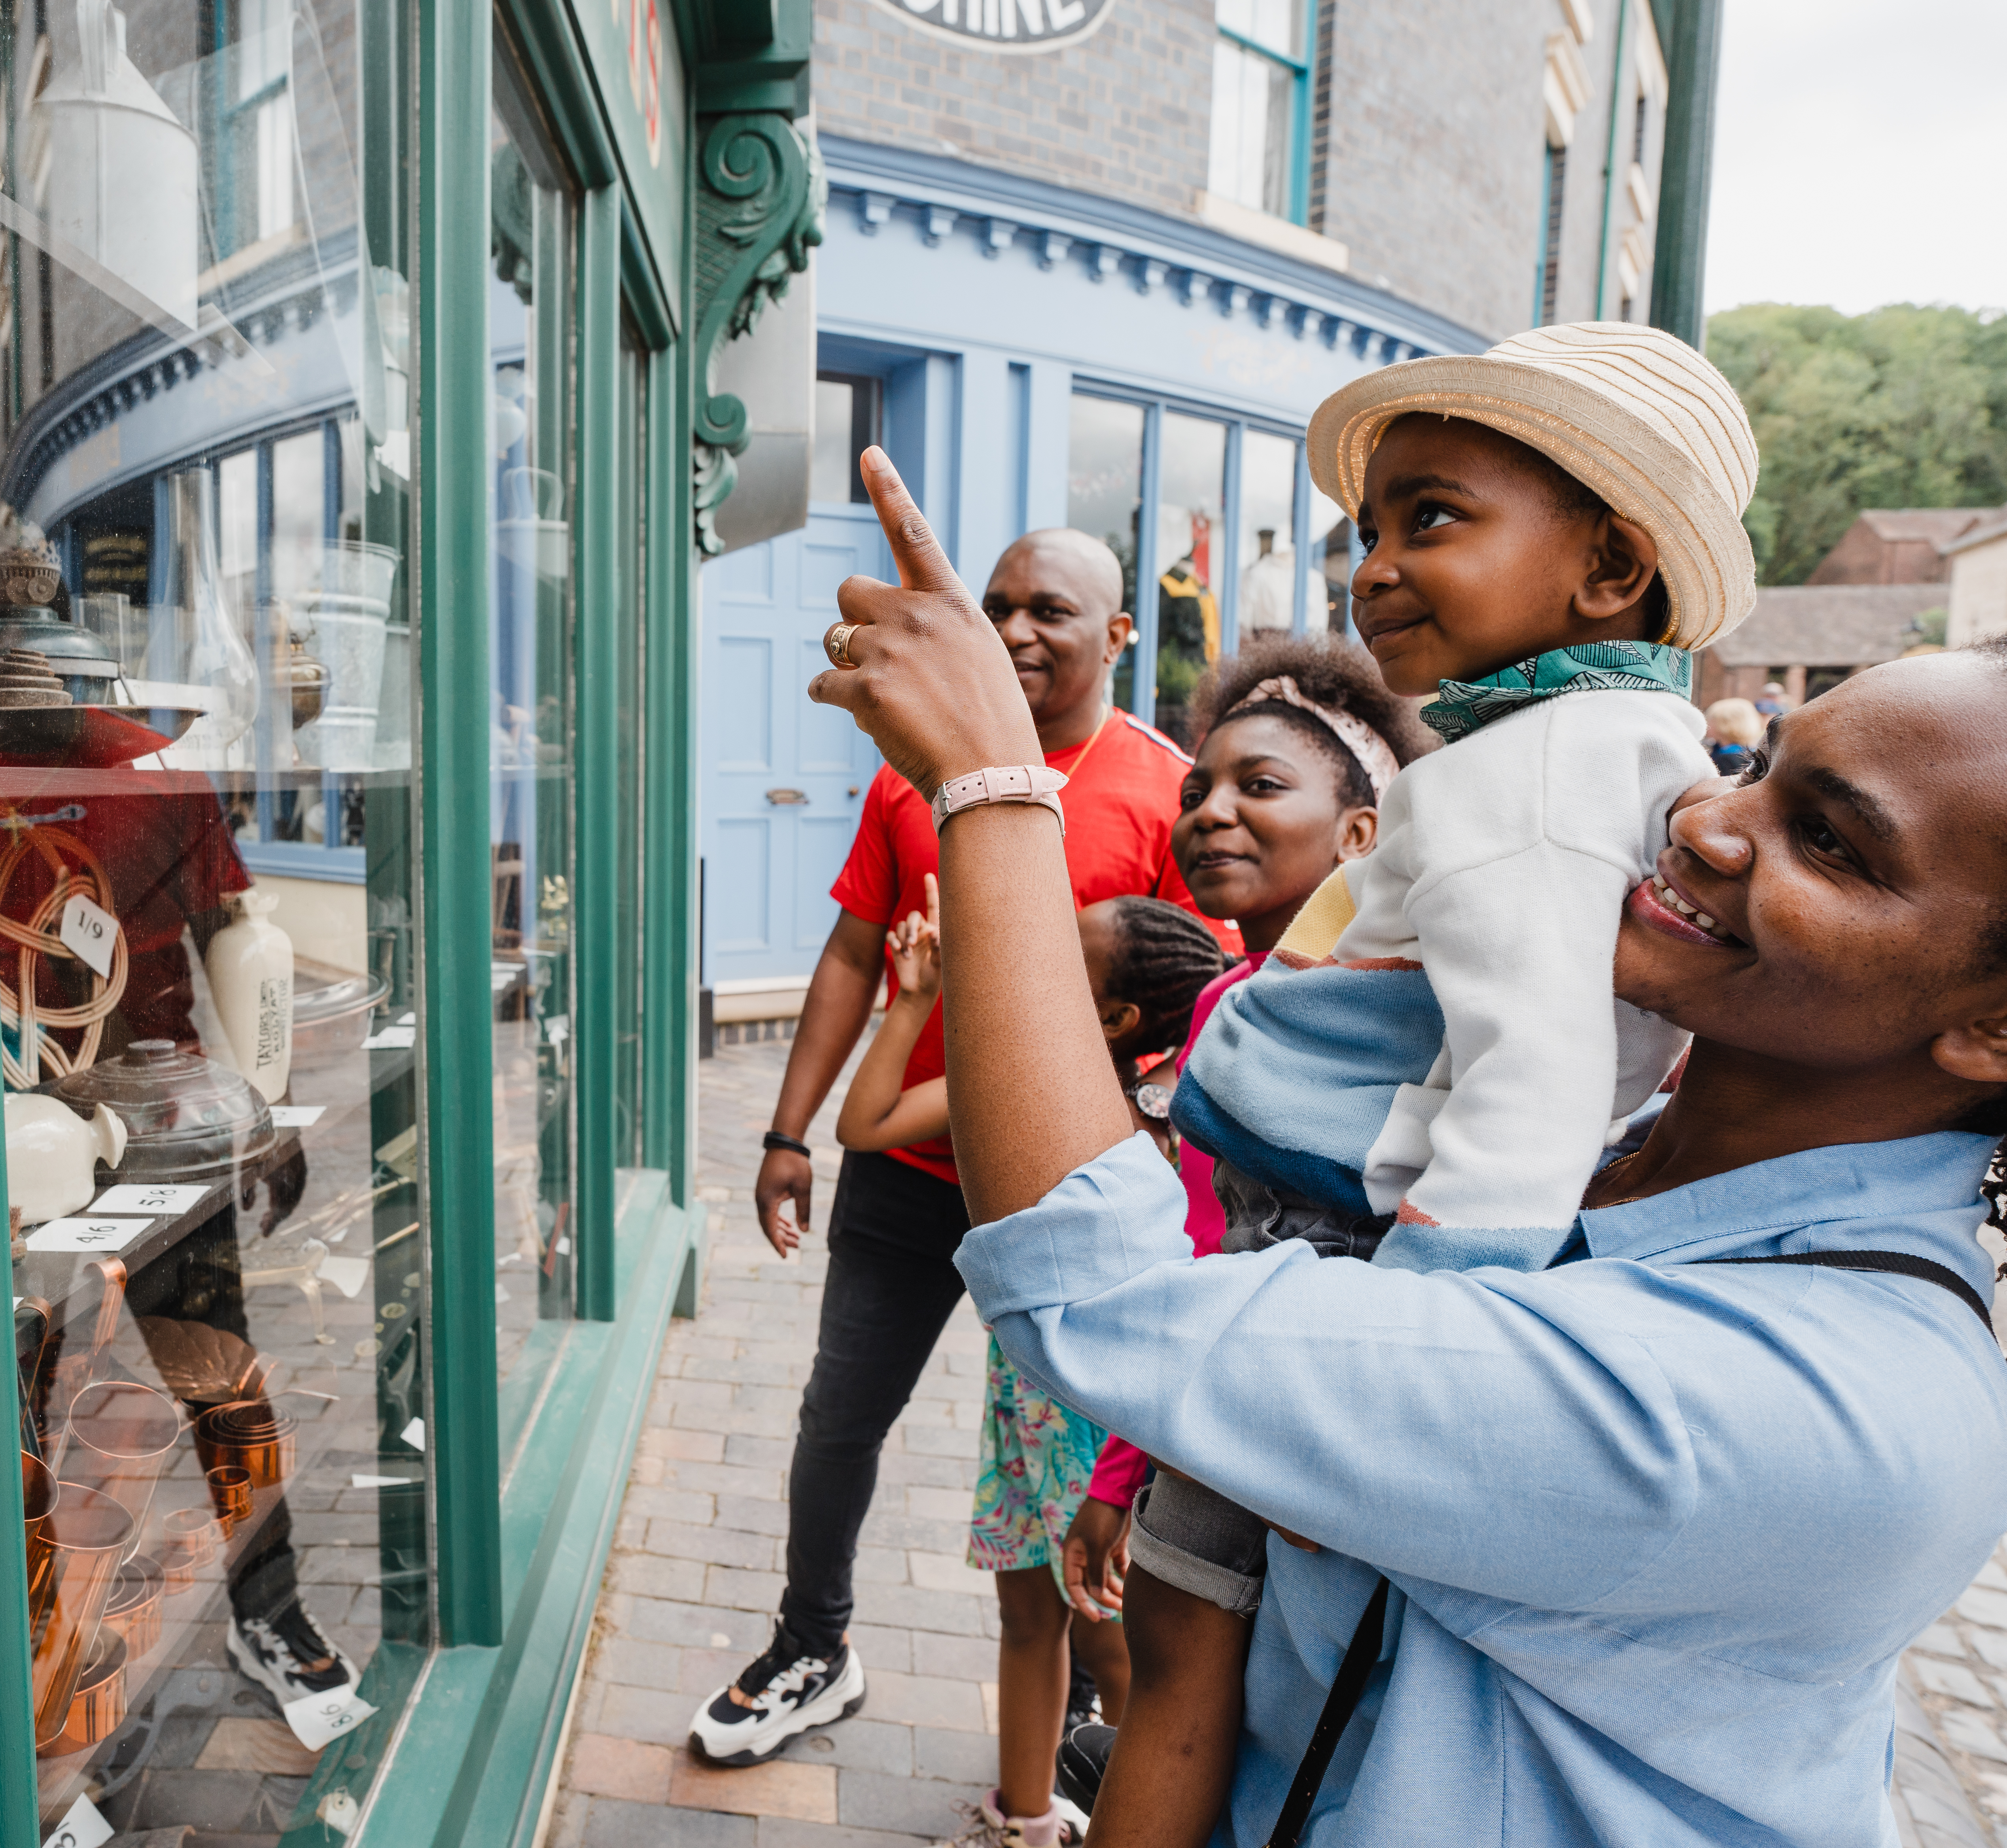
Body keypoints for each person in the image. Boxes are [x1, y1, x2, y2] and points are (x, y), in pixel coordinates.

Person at [812, 442, 2007, 1845]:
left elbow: (1099, 1300)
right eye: (1754, 773)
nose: (1706, 824)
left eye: (1829, 844)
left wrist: (989, 787)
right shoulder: (1606, 1147)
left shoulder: (1819, 1403)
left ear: (1986, 1027)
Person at [1118, 324, 1767, 1839]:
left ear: (1610, 570)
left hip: (1354, 1259)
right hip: (1376, 1245)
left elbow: (1529, 1083)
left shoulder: (1512, 776)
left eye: (1435, 518)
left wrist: (1402, 1352)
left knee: (1178, 1644)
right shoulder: (1625, 738)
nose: (1376, 564)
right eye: (1371, 527)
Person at [692, 527, 1233, 1768]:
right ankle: (810, 1645)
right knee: (837, 1418)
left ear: (1117, 634)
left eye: (1052, 608)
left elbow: (1192, 1004)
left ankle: (1092, 1704)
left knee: (1080, 1465)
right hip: (903, 1171)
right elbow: (847, 953)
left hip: (1064, 1194)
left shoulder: (1160, 791)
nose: (1019, 630)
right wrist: (787, 1129)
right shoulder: (909, 772)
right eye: (998, 607)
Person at [837, 880, 1226, 1848]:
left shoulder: (1154, 1131)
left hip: (1107, 1433)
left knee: (1112, 1634)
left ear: (1113, 1015)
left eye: (1067, 951)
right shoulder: (1020, 1087)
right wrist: (918, 996)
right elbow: (866, 1122)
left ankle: (1133, 1815)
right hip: (1025, 1406)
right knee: (1024, 1616)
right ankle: (1023, 1820)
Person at [1065, 636, 1434, 1631]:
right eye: (1195, 793)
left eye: (1259, 785)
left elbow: (1206, 1263)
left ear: (1364, 830)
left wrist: (1116, 1475)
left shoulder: (1417, 1001)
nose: (1211, 812)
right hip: (1235, 1410)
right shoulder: (1230, 1000)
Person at [1703, 694, 1766, 776]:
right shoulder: (1750, 754)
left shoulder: (1728, 758)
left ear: (1724, 725)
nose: (1707, 724)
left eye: (1711, 720)